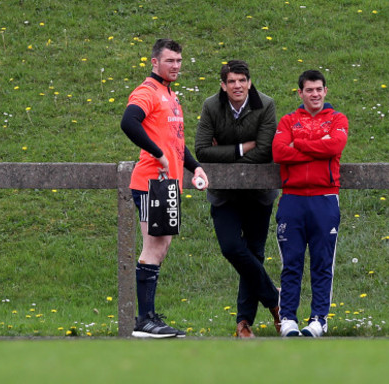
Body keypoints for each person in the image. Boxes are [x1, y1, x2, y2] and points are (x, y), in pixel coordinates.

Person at [120, 38, 209, 338]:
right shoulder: (147, 91)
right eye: (170, 61)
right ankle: (144, 320)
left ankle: (149, 317)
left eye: (179, 61)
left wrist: (194, 166)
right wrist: (157, 154)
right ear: (154, 62)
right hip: (149, 182)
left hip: (167, 184)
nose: (176, 66)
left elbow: (176, 143)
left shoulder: (170, 95)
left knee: (163, 245)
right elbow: (129, 122)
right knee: (154, 246)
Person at [195, 60, 280, 338]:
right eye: (231, 81)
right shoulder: (211, 106)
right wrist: (244, 147)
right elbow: (202, 151)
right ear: (223, 85)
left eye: (242, 80)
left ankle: (243, 323)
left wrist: (227, 155)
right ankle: (275, 299)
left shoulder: (266, 105)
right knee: (232, 248)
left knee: (254, 253)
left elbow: (267, 151)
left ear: (249, 82)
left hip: (258, 194)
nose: (237, 86)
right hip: (224, 195)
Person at [272, 69, 348, 337]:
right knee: (291, 262)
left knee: (322, 262)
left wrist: (299, 144)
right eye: (309, 90)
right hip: (292, 200)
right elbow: (279, 152)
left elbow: (335, 146)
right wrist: (316, 144)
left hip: (324, 199)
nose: (315, 94)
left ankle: (318, 320)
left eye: (319, 89)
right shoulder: (288, 120)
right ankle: (288, 319)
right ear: (300, 93)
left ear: (325, 91)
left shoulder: (337, 119)